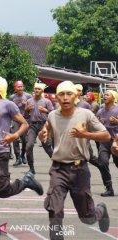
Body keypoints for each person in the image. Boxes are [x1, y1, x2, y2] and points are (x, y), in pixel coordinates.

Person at [38, 81, 110, 239]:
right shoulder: (52, 115)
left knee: (87, 217)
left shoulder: (86, 114)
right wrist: (43, 134)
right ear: (56, 97)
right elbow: (47, 129)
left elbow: (106, 135)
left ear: (76, 96)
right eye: (61, 94)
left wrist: (86, 135)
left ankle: (100, 211)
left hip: (79, 170)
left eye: (69, 94)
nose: (65, 98)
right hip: (58, 170)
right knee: (54, 211)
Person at [0, 77, 43, 236]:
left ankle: (26, 181)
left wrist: (15, 135)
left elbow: (25, 124)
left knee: (2, 190)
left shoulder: (8, 104)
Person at [92, 90, 118, 196]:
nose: (104, 96)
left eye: (107, 94)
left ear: (113, 98)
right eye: (104, 95)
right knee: (102, 163)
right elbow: (96, 125)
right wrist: (98, 124)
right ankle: (109, 188)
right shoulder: (100, 111)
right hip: (104, 141)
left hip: (116, 141)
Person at [24, 82, 54, 174]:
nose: (37, 90)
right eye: (35, 88)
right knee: (29, 146)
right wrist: (27, 109)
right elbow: (25, 115)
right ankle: (31, 168)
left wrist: (46, 110)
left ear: (42, 91)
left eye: (39, 89)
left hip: (43, 125)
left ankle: (57, 165)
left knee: (48, 147)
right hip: (32, 125)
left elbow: (53, 114)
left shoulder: (46, 101)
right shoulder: (29, 101)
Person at [9, 80, 32, 167]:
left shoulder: (28, 96)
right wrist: (13, 105)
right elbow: (9, 109)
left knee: (25, 140)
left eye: (21, 86)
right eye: (18, 87)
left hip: (25, 119)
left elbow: (31, 109)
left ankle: (23, 155)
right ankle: (18, 157)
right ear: (15, 88)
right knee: (15, 138)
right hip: (16, 120)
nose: (20, 88)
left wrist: (26, 106)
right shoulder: (12, 97)